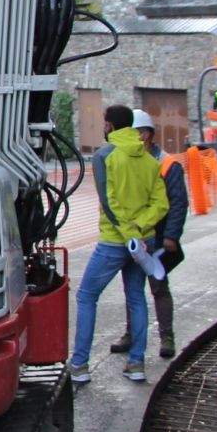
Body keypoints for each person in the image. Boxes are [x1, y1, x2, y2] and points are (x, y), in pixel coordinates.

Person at [70, 103, 170, 386]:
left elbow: (109, 202)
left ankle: (79, 364)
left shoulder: (105, 156)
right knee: (136, 297)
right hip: (143, 244)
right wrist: (140, 231)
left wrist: (128, 234)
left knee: (86, 296)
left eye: (104, 122)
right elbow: (161, 204)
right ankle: (136, 363)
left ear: (110, 125)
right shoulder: (150, 160)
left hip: (116, 242)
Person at [113, 110, 184, 360]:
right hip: (134, 236)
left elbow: (177, 202)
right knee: (132, 289)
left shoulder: (167, 164)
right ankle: (131, 334)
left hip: (159, 236)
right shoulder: (128, 160)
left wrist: (172, 236)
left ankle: (167, 337)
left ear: (149, 134)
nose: (136, 137)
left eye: (139, 133)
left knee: (159, 287)